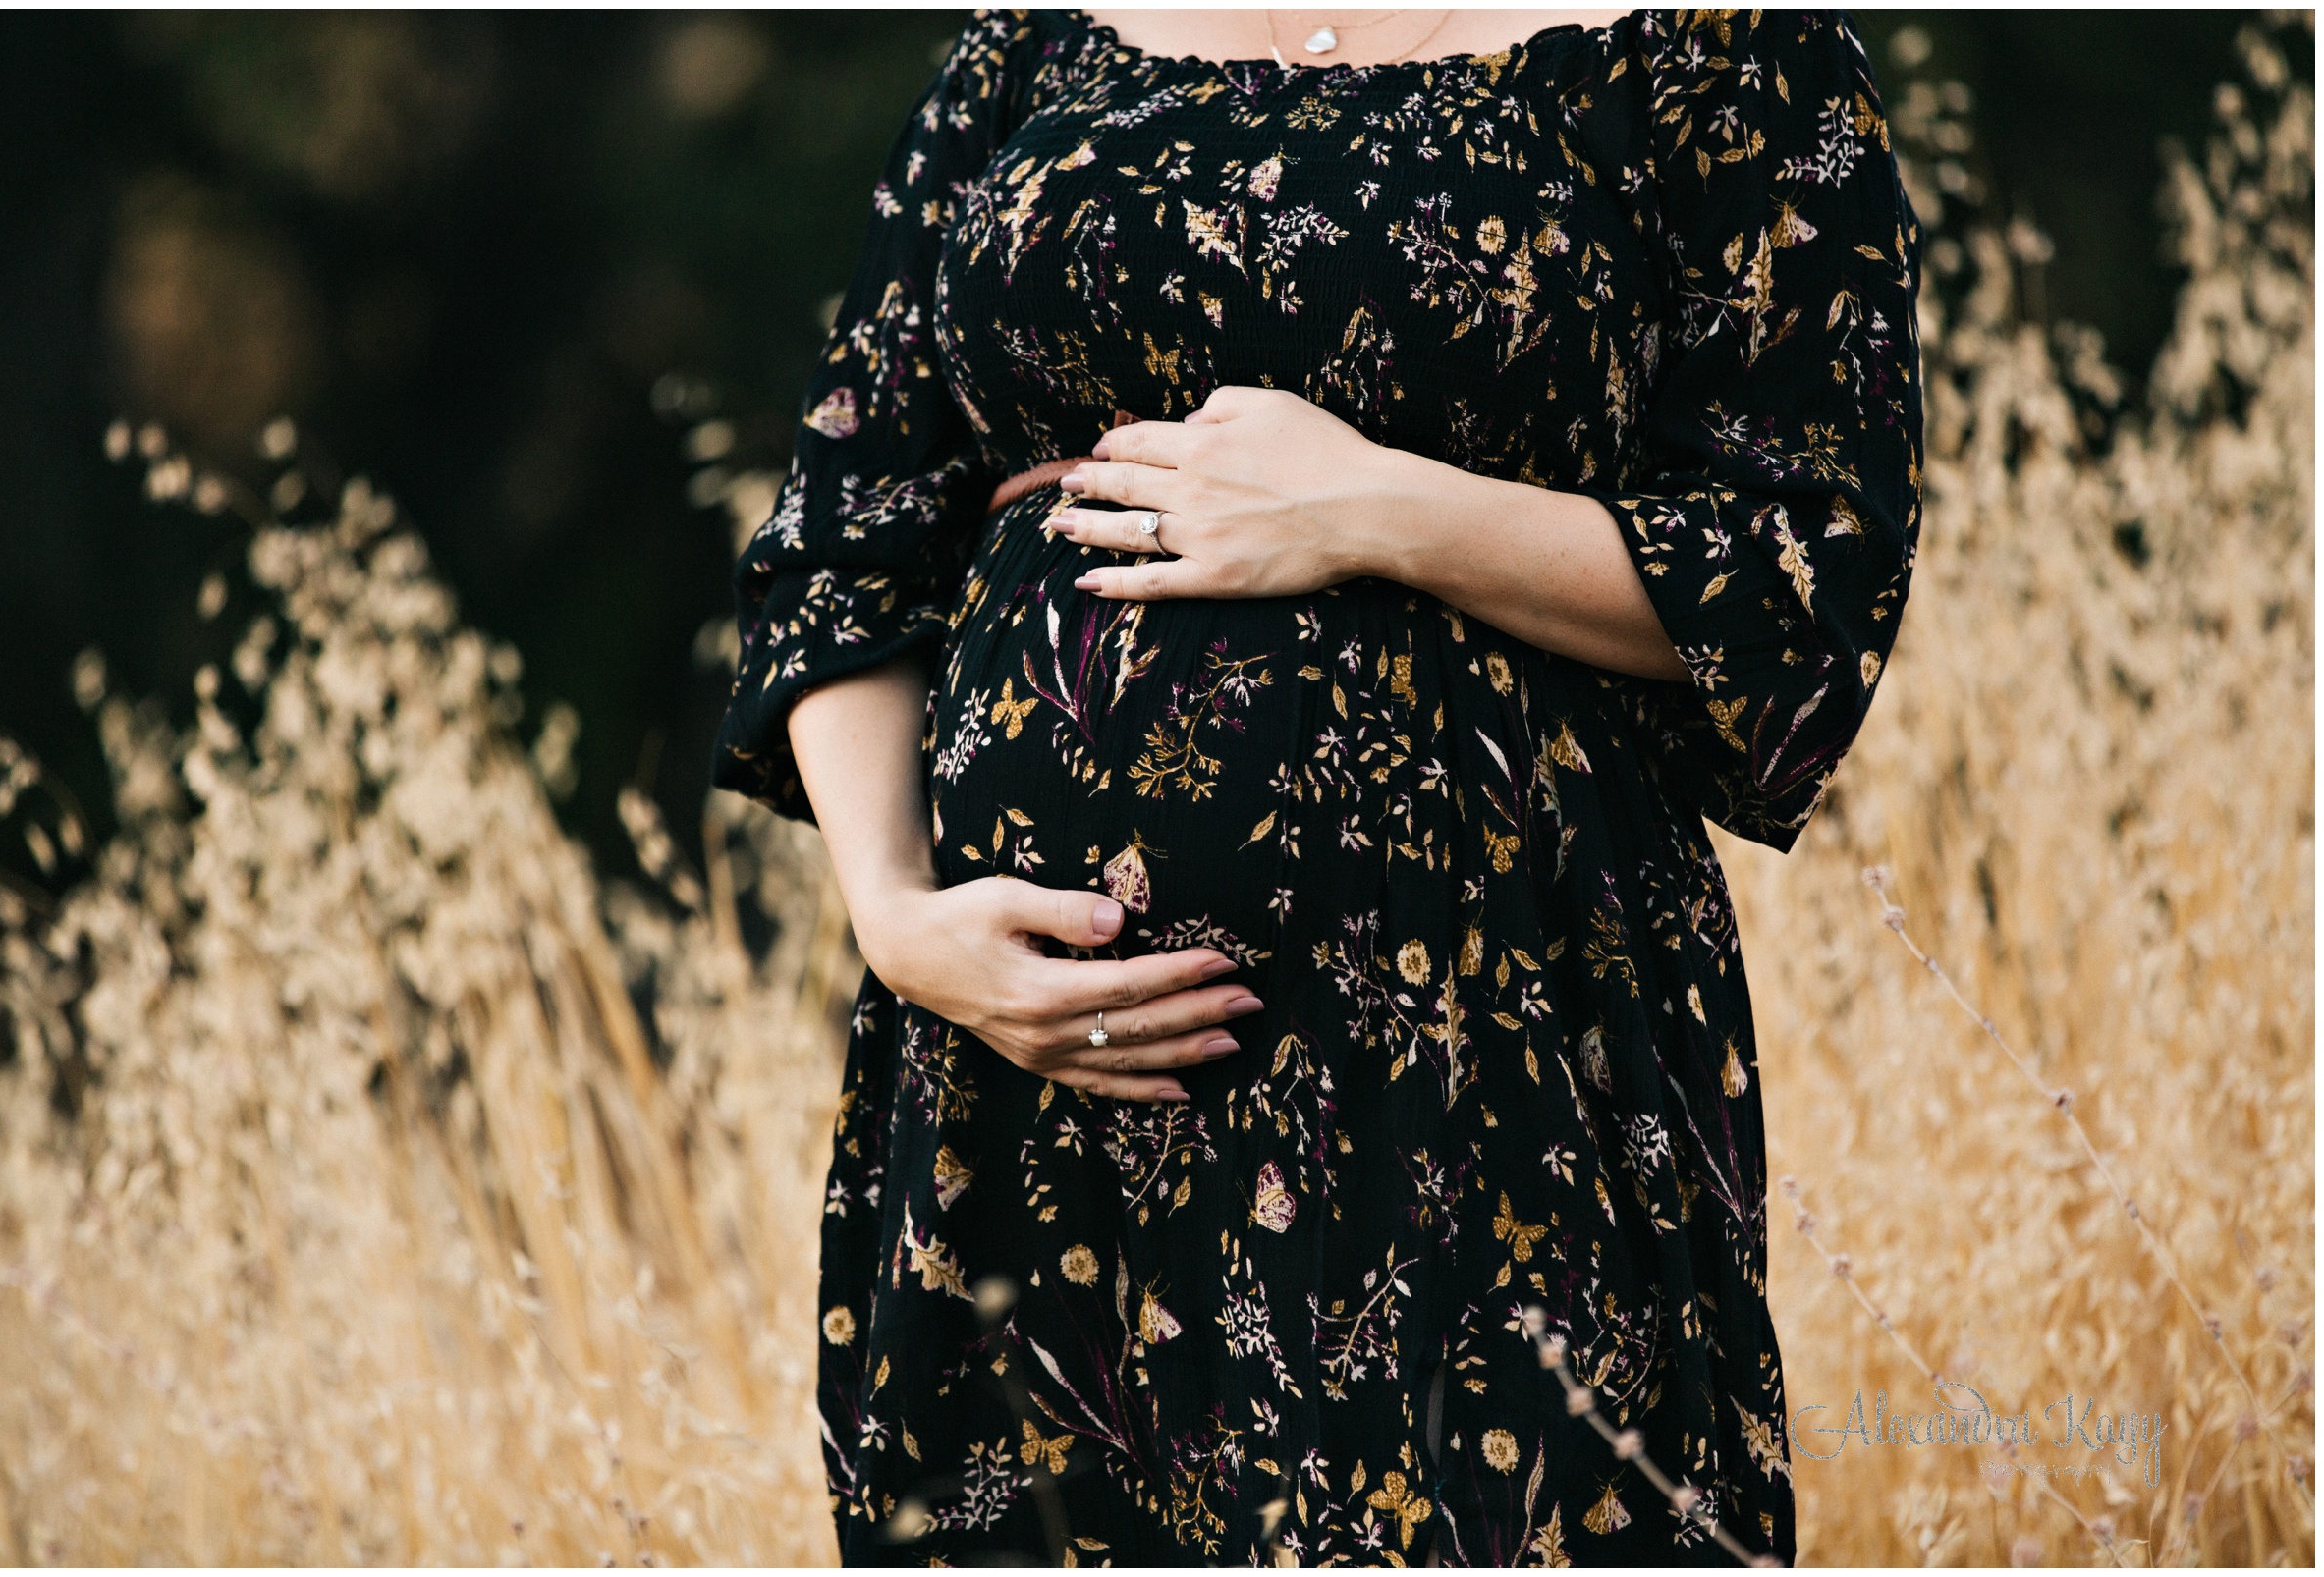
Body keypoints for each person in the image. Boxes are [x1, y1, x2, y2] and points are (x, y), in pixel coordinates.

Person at [713, 7, 1922, 1564]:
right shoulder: (1033, 39)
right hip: (1031, 1090)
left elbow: (1804, 575)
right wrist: (894, 913)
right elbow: (843, 536)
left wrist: (1380, 509)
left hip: (1483, 1065)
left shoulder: (1721, 46)